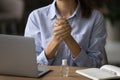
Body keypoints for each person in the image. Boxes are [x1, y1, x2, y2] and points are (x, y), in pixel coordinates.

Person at [24, 0, 107, 67]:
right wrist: (55, 41)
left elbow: (94, 65)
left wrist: (69, 39)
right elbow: (30, 66)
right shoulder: (36, 17)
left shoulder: (95, 18)